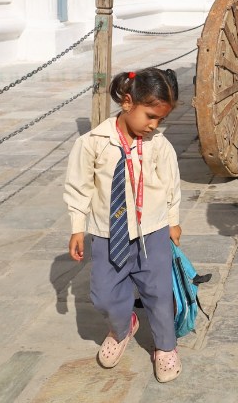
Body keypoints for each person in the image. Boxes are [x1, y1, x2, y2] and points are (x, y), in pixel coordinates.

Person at [66, 67, 184, 382]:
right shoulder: (94, 143)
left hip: (152, 231)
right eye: (150, 115)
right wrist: (78, 226)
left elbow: (172, 184)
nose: (154, 125)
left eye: (161, 119)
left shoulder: (159, 145)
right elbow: (80, 186)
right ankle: (122, 327)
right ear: (128, 102)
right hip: (108, 233)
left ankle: (165, 347)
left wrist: (173, 221)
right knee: (103, 294)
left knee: (159, 293)